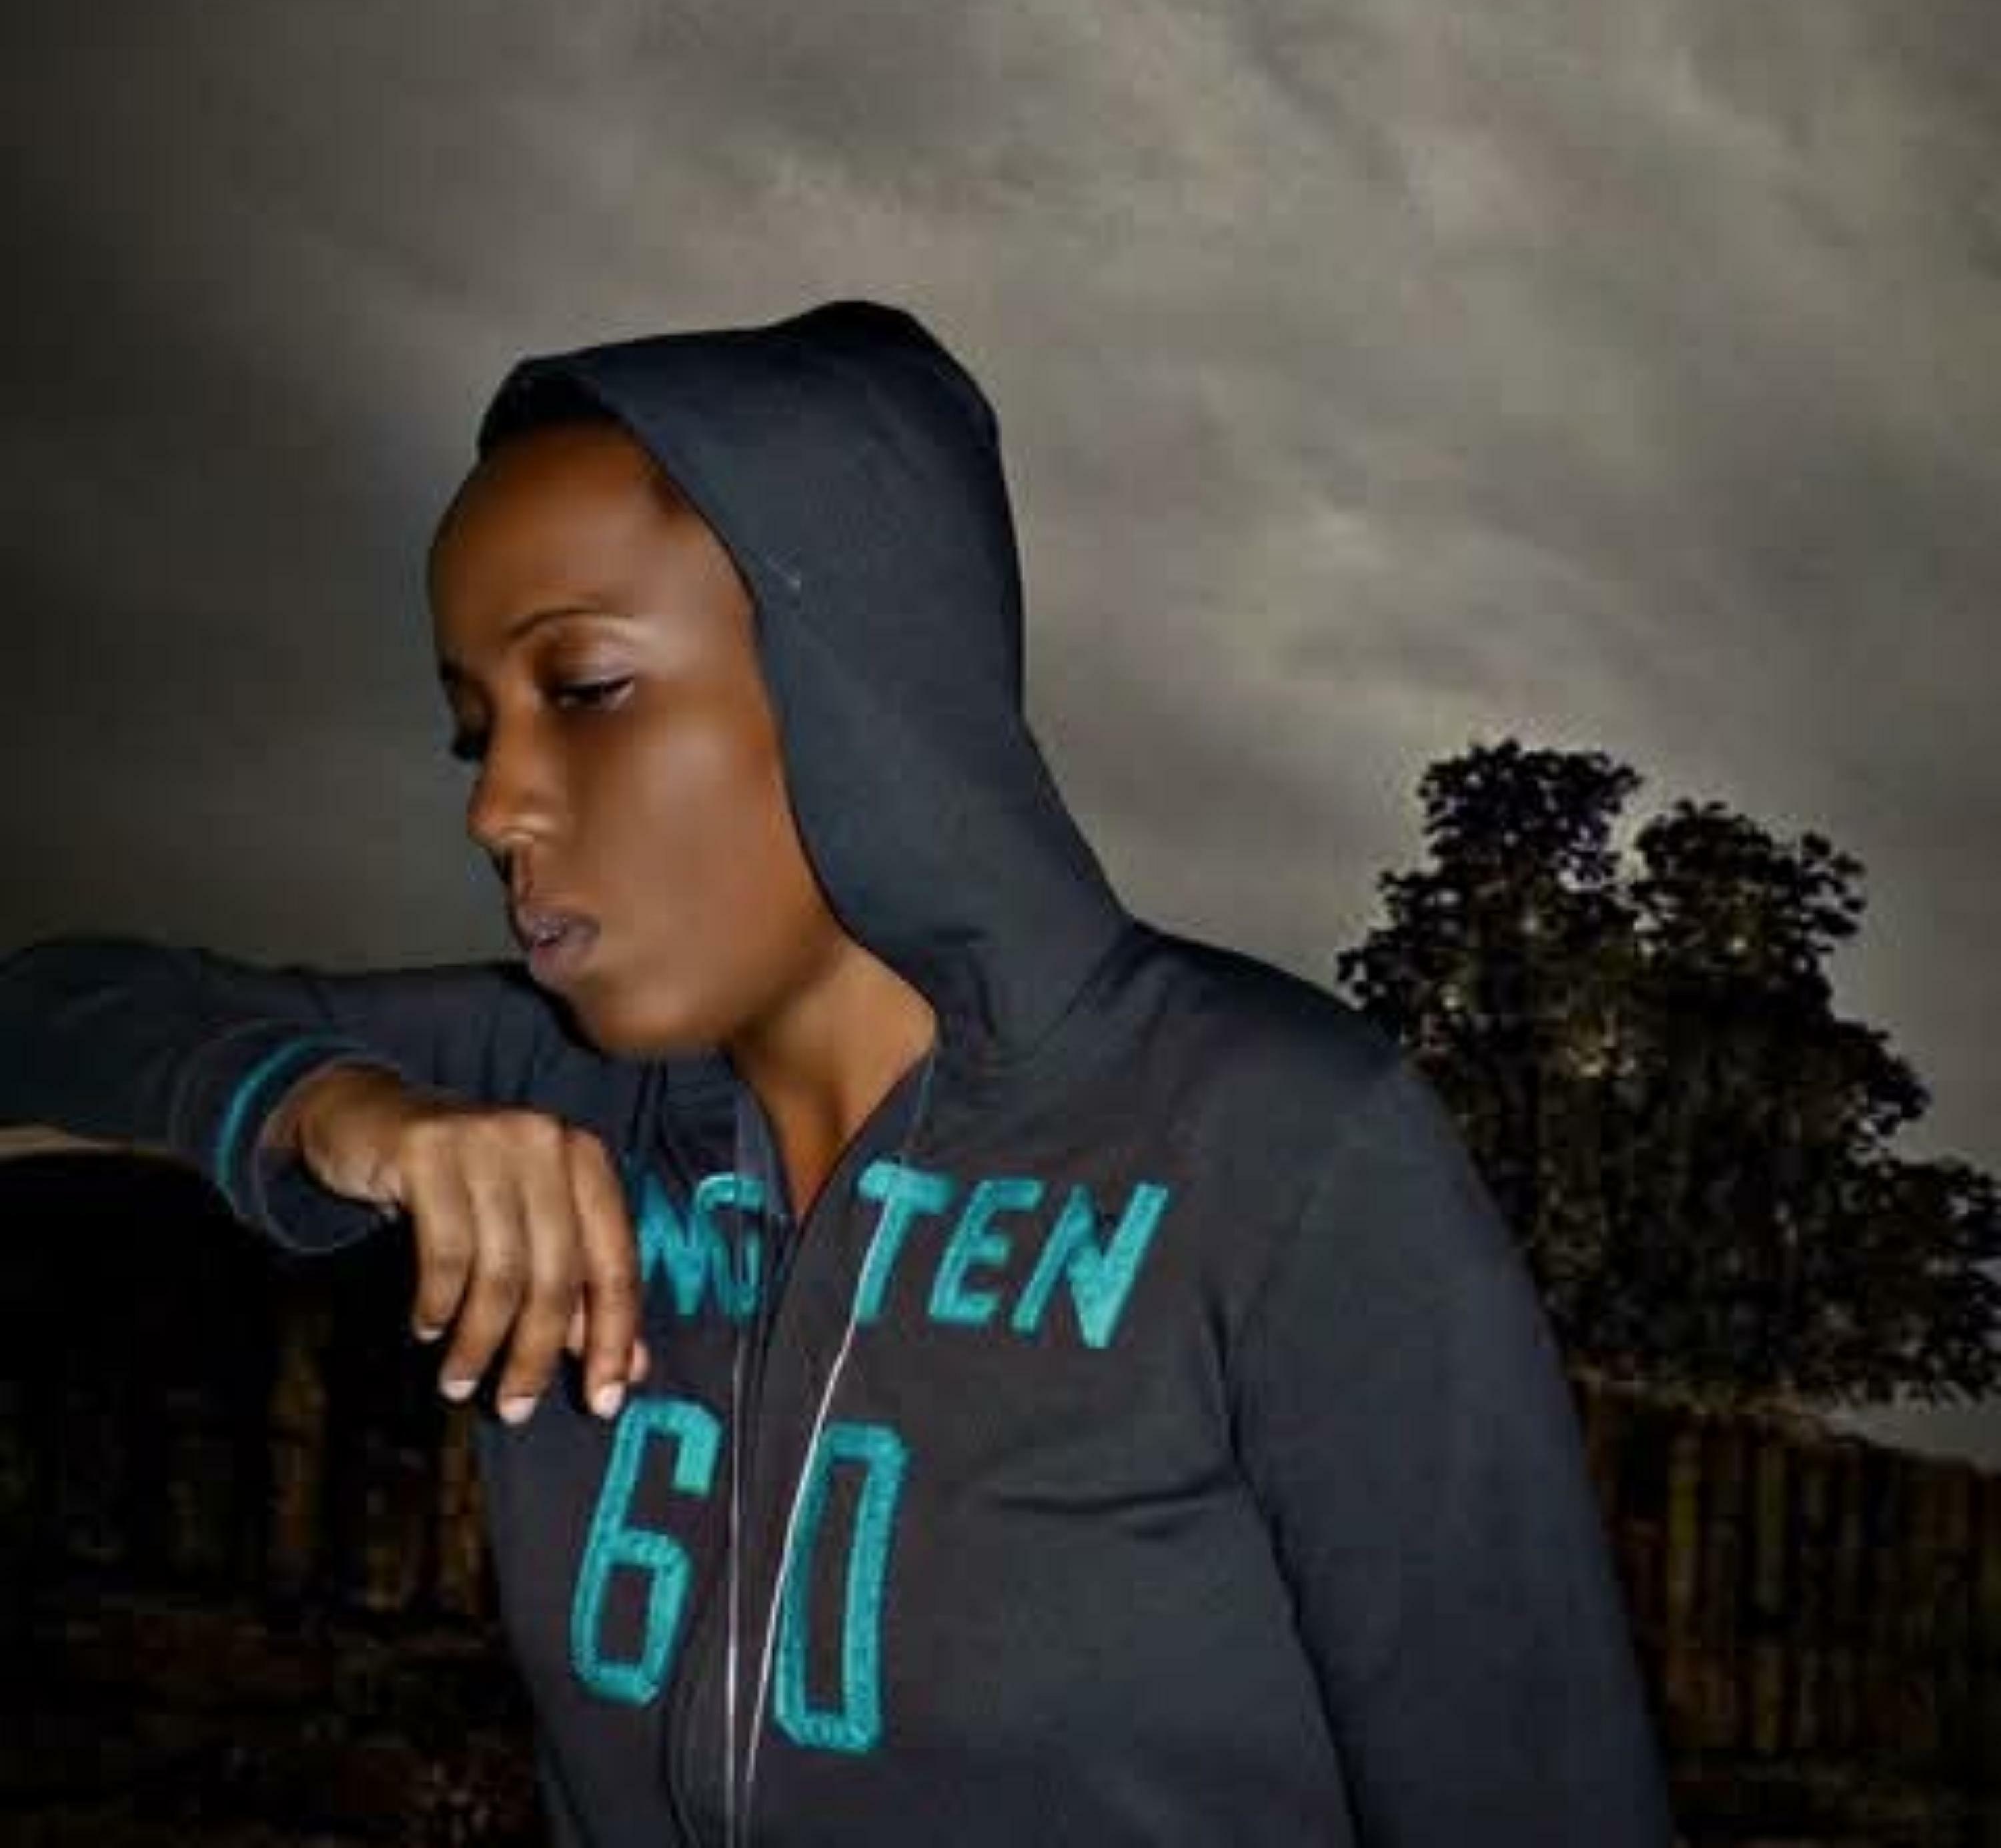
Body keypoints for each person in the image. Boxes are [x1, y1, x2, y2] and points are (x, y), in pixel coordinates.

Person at [0, 299, 1678, 1845]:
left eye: (585, 690)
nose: (496, 804)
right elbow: (51, 1010)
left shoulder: (1273, 1137)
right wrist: (336, 1111)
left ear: (856, 687)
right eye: (474, 726)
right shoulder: (553, 1081)